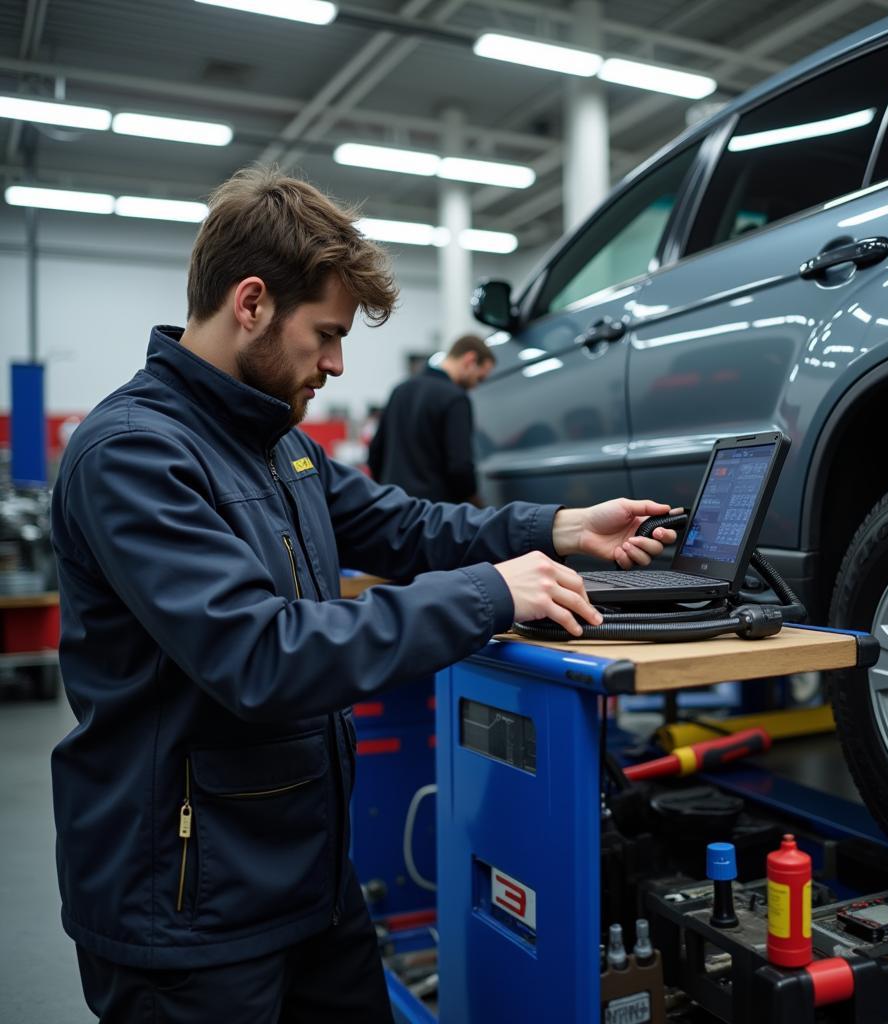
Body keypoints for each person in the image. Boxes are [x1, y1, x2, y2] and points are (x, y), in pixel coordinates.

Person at [49, 166, 677, 1023]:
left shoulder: (276, 444)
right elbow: (261, 656)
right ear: (252, 302)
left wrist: (561, 527)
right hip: (187, 909)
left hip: (307, 877)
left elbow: (408, 525)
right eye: (327, 334)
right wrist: (490, 594)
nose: (337, 364)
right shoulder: (132, 455)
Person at [368, 333, 494, 504]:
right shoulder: (455, 398)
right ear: (470, 360)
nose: (475, 386)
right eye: (479, 378)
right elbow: (460, 467)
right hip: (433, 515)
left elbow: (375, 453)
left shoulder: (399, 390)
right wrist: (474, 501)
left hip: (393, 507)